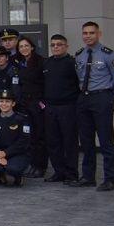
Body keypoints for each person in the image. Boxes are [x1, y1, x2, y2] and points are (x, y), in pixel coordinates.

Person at [74, 21, 114, 191]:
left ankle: (109, 179)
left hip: (102, 98)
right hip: (84, 99)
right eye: (85, 33)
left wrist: (106, 94)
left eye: (91, 33)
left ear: (99, 34)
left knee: (106, 140)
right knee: (86, 141)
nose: (88, 36)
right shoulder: (79, 55)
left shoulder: (110, 55)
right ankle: (88, 177)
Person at [41, 34, 78, 184]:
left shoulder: (72, 63)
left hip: (67, 108)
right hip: (50, 108)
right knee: (53, 142)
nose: (55, 47)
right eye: (53, 45)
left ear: (66, 46)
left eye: (59, 44)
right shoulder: (47, 63)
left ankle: (71, 174)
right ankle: (59, 172)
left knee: (69, 142)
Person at [13, 36, 46, 178]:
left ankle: (40, 166)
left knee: (39, 137)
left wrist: (42, 102)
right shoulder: (20, 63)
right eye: (21, 46)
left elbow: (44, 83)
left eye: (26, 45)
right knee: (29, 136)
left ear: (32, 47)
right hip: (24, 104)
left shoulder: (41, 62)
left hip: (37, 104)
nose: (24, 48)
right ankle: (32, 165)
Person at [0, 89, 31, 186]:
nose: (4, 104)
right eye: (1, 101)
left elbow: (23, 141)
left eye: (7, 101)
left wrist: (5, 153)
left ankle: (18, 177)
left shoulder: (22, 120)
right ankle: (1, 176)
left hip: (17, 154)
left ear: (13, 104)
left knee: (13, 168)